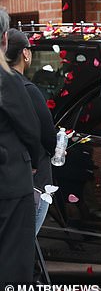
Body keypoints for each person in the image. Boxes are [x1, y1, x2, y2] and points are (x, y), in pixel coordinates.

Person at [0, 10, 42, 288]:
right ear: (4, 38)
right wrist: (34, 160)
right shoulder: (8, 82)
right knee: (12, 262)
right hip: (9, 180)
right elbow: (31, 129)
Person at [6, 28, 57, 234]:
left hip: (8, 175)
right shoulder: (27, 90)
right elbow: (46, 136)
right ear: (25, 53)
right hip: (31, 179)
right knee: (23, 241)